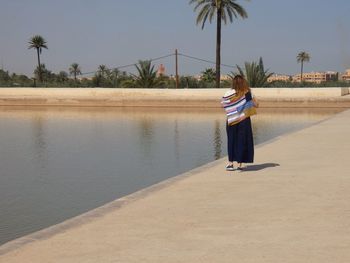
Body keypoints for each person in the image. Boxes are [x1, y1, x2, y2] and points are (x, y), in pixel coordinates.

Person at [221, 75, 258, 171]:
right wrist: (245, 101)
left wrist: (234, 104)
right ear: (243, 82)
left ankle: (230, 164)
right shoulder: (247, 92)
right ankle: (239, 165)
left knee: (231, 140)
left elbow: (223, 105)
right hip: (244, 120)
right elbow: (256, 104)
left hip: (232, 120)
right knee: (241, 141)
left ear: (233, 82)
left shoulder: (228, 92)